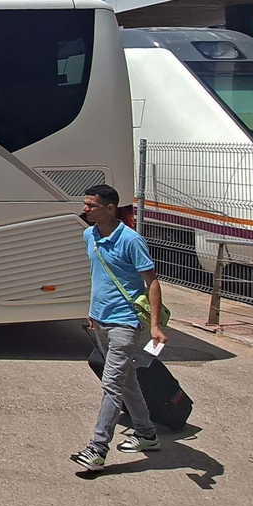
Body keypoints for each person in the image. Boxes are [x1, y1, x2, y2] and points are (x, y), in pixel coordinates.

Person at [71, 184, 167, 471]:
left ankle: (97, 448)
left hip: (125, 322)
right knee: (127, 381)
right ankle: (147, 434)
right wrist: (92, 311)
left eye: (92, 205)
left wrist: (155, 326)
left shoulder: (131, 240)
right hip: (100, 319)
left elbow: (152, 282)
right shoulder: (89, 235)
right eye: (85, 204)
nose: (86, 210)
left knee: (112, 384)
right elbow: (97, 276)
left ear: (110, 208)